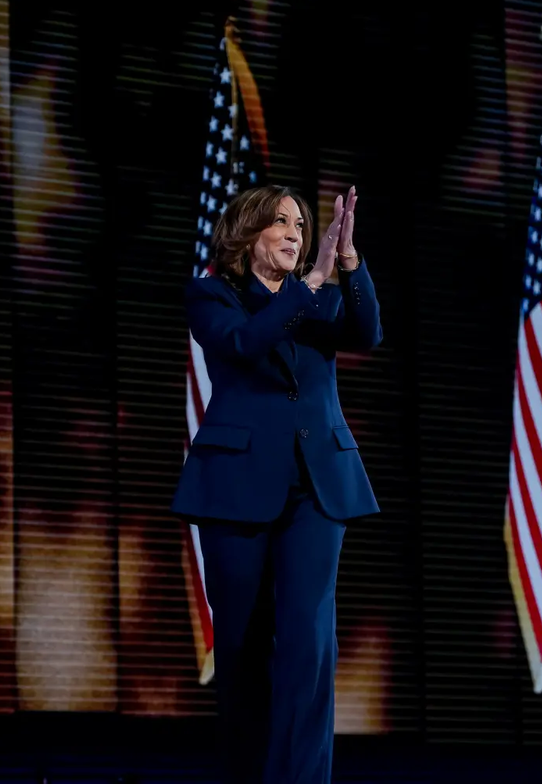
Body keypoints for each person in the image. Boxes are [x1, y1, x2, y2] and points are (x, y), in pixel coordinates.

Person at [172, 184, 382, 783]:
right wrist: (310, 285)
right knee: (242, 648)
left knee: (309, 646)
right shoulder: (212, 294)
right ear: (247, 234)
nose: (295, 232)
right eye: (281, 222)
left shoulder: (317, 296)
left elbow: (366, 332)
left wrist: (345, 261)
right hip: (236, 485)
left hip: (317, 487)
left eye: (301, 223)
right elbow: (242, 342)